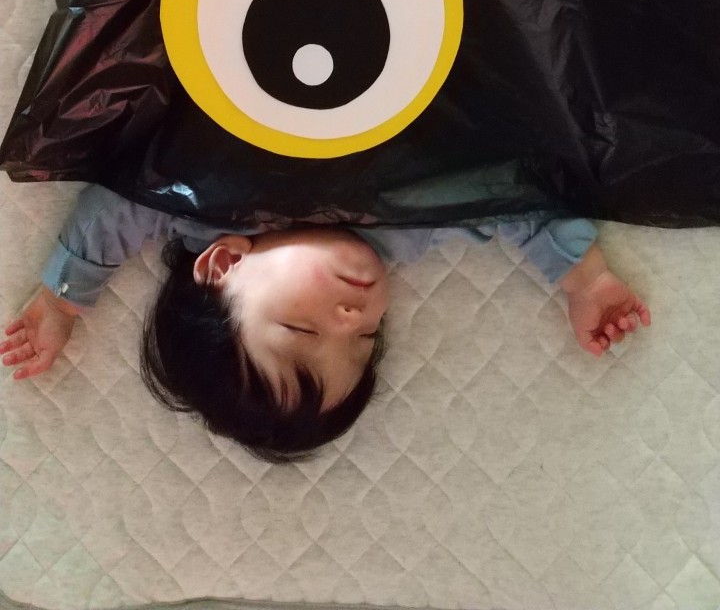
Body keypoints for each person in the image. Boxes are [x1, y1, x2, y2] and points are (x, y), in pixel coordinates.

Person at [1, 184, 651, 461]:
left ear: (223, 264)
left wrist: (62, 301)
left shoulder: (202, 200)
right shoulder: (411, 229)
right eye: (364, 339)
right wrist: (587, 280)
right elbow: (512, 196)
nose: (352, 316)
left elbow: (117, 207)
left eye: (303, 330)